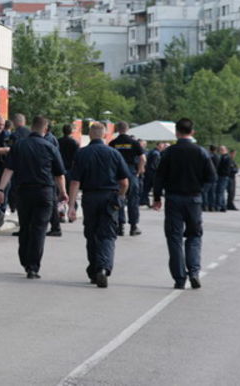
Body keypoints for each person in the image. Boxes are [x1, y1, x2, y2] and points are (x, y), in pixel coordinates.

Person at [0, 116, 68, 279]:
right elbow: (59, 174)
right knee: (39, 229)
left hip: (24, 192)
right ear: (45, 128)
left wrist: (0, 189)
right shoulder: (50, 147)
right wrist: (63, 192)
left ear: (32, 127)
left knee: (26, 226)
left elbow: (9, 170)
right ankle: (33, 267)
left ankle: (25, 260)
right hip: (45, 193)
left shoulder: (19, 145)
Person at [151, 118, 217, 290]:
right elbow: (212, 177)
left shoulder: (169, 152)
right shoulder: (201, 152)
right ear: (192, 132)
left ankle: (180, 278)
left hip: (173, 198)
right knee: (194, 235)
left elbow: (159, 177)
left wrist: (157, 197)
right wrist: (201, 191)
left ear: (176, 132)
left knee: (174, 238)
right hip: (194, 199)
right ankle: (194, 272)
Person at [67, 122, 129, 288]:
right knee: (107, 235)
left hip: (90, 197)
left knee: (91, 233)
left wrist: (71, 206)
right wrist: (120, 198)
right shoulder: (114, 154)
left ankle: (94, 269)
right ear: (104, 135)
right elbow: (124, 182)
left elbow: (75, 182)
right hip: (110, 197)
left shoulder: (82, 154)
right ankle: (103, 267)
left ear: (90, 134)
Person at [109, 121, 145, 236]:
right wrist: (139, 171)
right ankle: (133, 227)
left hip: (118, 173)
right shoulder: (134, 142)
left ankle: (120, 226)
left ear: (117, 129)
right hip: (131, 172)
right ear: (128, 128)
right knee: (133, 200)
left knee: (119, 198)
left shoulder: (113, 143)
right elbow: (143, 158)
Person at [142, 142, 167, 206]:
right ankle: (150, 202)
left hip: (149, 172)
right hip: (153, 173)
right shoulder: (156, 153)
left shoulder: (152, 151)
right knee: (154, 189)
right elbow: (155, 165)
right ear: (158, 145)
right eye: (162, 145)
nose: (163, 146)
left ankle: (145, 201)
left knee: (146, 188)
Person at [215, 145, 232, 212]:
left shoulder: (227, 157)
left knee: (220, 191)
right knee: (219, 191)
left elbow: (226, 168)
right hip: (220, 176)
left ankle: (220, 206)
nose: (221, 151)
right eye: (220, 149)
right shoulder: (221, 157)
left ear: (226, 150)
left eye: (222, 149)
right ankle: (222, 205)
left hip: (223, 176)